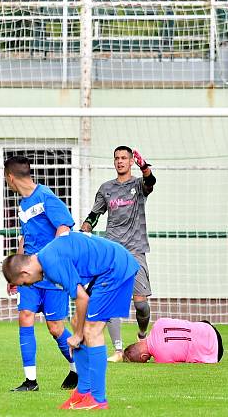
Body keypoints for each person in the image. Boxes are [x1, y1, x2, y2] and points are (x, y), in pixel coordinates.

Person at [2, 232, 139, 410]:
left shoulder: (51, 263)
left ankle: (97, 399)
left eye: (24, 283)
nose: (27, 286)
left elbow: (82, 298)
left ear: (25, 272)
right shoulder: (46, 261)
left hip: (115, 269)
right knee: (77, 323)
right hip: (105, 272)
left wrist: (78, 334)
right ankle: (82, 393)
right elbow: (79, 295)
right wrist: (77, 329)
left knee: (90, 332)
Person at [3, 156, 77, 392]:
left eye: (6, 179)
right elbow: (26, 238)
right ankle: (30, 381)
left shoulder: (46, 197)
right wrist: (16, 269)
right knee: (25, 315)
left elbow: (64, 228)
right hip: (30, 276)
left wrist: (51, 262)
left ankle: (78, 368)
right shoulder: (23, 205)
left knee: (55, 327)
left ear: (11, 177)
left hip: (52, 275)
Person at [80, 146, 156, 362]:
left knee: (140, 303)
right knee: (112, 299)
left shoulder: (138, 185)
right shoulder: (106, 188)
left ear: (131, 161)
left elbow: (150, 183)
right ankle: (119, 351)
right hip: (112, 252)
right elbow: (94, 215)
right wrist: (85, 229)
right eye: (117, 158)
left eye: (124, 158)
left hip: (135, 250)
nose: (120, 161)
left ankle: (142, 334)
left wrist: (145, 168)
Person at [122, 318, 223, 364]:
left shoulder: (162, 360)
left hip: (214, 351)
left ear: (143, 357)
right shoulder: (158, 323)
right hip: (208, 327)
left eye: (146, 361)